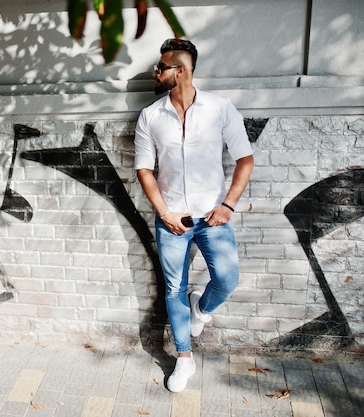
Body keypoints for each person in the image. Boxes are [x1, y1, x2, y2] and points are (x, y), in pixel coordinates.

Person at [134, 38, 254, 393]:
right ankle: (184, 359)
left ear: (181, 71)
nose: (156, 73)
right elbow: (145, 170)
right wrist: (164, 212)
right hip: (172, 219)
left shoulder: (220, 109)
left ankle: (200, 312)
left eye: (161, 68)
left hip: (213, 217)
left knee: (227, 280)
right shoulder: (151, 116)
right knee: (174, 288)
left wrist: (228, 204)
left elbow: (244, 159)